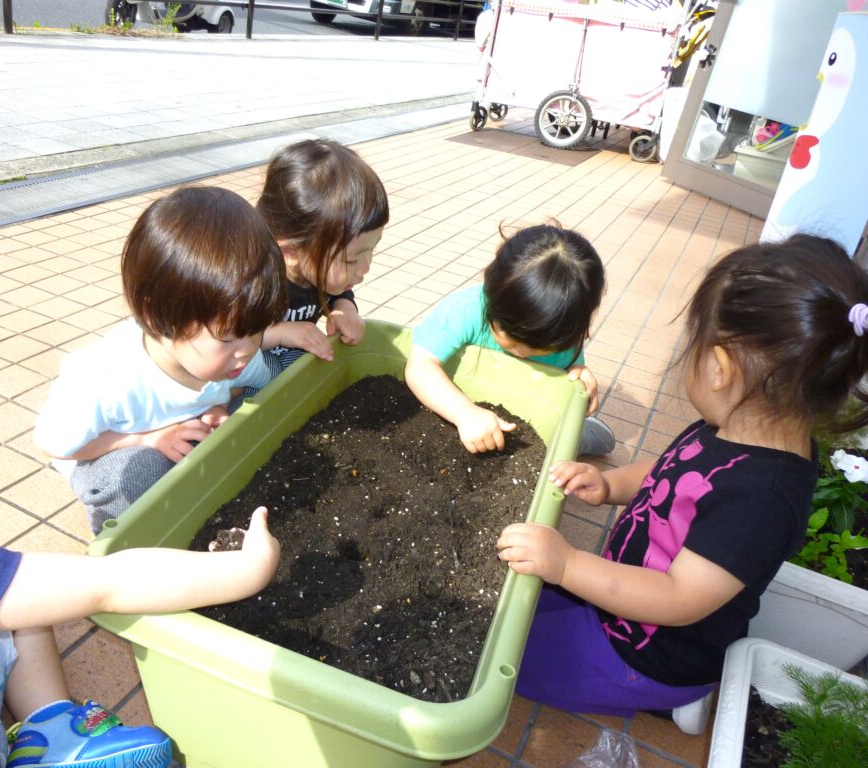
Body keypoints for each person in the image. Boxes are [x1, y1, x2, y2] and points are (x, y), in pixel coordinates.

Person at [0, 207, 281, 767]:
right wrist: (243, 571)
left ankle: (52, 726)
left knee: (12, 593)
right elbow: (104, 585)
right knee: (23, 590)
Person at [497, 234, 868, 717]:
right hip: (620, 604)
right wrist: (612, 486)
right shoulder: (740, 422)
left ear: (719, 368)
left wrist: (567, 565)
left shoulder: (763, 500)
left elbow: (679, 598)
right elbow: (673, 469)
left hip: (647, 655)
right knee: (513, 607)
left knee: (505, 657)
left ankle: (666, 701)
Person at [35, 186, 287, 534]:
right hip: (108, 452)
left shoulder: (233, 356)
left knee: (258, 407)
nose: (247, 349)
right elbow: (54, 444)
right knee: (140, 475)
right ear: (158, 317)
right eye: (229, 337)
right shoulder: (107, 379)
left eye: (256, 330)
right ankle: (125, 534)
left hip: (182, 436)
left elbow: (273, 379)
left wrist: (219, 408)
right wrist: (146, 439)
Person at [404, 223, 615, 456]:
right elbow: (420, 366)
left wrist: (578, 381)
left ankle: (578, 437)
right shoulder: (465, 310)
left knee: (561, 443)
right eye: (511, 338)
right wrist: (464, 413)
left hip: (522, 418)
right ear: (491, 295)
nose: (522, 353)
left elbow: (561, 386)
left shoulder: (562, 333)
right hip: (456, 405)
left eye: (540, 348)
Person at [254, 138, 389, 377]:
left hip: (288, 356)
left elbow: (339, 291)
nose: (366, 267)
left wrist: (344, 308)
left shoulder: (320, 272)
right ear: (291, 252)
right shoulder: (250, 279)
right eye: (351, 260)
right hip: (237, 372)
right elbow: (221, 339)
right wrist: (281, 333)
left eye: (372, 249)